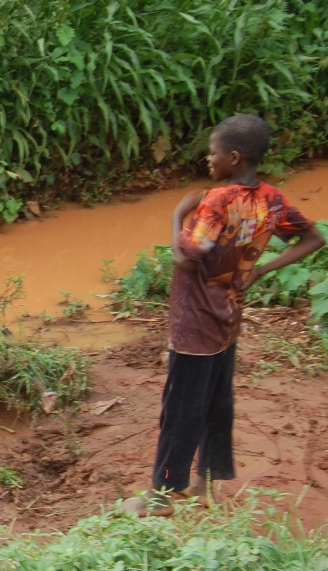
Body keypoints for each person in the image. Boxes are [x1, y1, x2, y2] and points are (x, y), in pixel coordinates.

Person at [122, 114, 325, 517]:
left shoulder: (217, 201)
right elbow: (313, 237)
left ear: (234, 157)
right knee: (216, 403)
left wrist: (178, 213)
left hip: (195, 322)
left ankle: (161, 497)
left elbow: (184, 259)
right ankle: (203, 484)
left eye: (213, 152)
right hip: (228, 318)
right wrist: (262, 269)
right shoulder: (272, 199)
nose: (208, 159)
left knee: (180, 407)